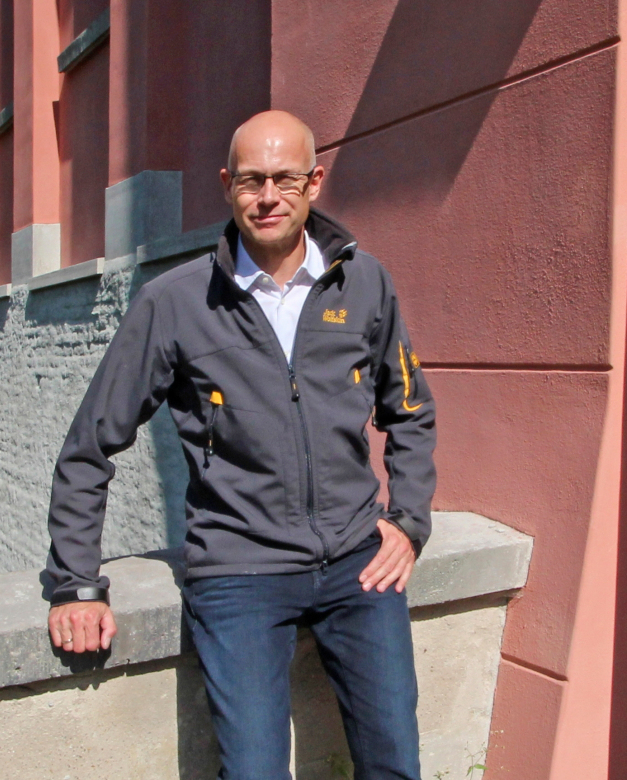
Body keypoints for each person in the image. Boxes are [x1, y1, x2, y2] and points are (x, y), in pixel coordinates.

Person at [44, 110, 436, 780]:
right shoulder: (176, 303)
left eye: (285, 179)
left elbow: (411, 410)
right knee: (252, 773)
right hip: (239, 571)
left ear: (315, 182)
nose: (267, 197)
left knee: (395, 763)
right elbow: (90, 445)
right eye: (251, 180)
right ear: (227, 186)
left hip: (355, 564)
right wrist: (76, 583)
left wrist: (408, 522)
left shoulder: (365, 283)